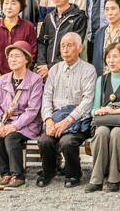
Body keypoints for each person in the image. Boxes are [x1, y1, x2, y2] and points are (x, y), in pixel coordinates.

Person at [36, 32, 97, 187]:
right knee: (44, 141)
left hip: (77, 120)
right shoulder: (55, 70)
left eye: (69, 45)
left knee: (67, 141)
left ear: (80, 48)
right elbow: (46, 97)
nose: (65, 49)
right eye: (62, 45)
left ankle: (73, 173)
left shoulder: (89, 70)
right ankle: (49, 171)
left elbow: (87, 102)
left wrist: (67, 121)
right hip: (56, 118)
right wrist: (48, 120)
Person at [85, 41, 120, 193]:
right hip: (103, 121)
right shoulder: (101, 80)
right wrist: (98, 112)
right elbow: (93, 109)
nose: (111, 61)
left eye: (115, 57)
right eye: (108, 57)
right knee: (101, 133)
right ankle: (96, 179)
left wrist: (115, 111)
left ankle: (114, 178)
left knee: (117, 134)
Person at [0, 41, 43, 189]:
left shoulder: (35, 80)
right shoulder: (2, 80)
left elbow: (32, 110)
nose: (12, 59)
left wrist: (14, 126)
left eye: (17, 56)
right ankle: (5, 174)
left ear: (26, 59)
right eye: (10, 56)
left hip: (28, 124)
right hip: (6, 122)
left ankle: (18, 175)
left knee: (12, 137)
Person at [35, 0, 87, 77]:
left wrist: (51, 67)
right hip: (45, 72)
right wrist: (42, 65)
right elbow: (42, 42)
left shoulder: (78, 17)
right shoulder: (48, 17)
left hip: (68, 70)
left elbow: (74, 47)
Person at [0, 0, 36, 75]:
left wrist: (22, 74)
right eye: (6, 3)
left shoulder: (28, 27)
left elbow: (32, 54)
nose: (9, 7)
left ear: (21, 6)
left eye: (13, 3)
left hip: (22, 76)